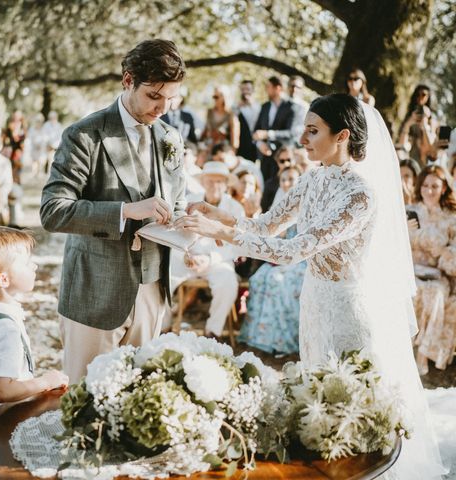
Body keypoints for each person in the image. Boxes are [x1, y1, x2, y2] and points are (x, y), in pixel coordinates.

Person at [174, 93, 445, 479]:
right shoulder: (312, 178)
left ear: (342, 136)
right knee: (317, 407)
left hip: (348, 312)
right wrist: (219, 215)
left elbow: (293, 249)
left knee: (350, 415)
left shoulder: (360, 195)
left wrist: (219, 232)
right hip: (313, 304)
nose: (302, 140)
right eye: (304, 129)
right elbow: (267, 226)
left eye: (312, 131)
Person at [40, 39, 187, 383]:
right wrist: (125, 211)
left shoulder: (171, 137)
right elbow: (52, 210)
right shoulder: (84, 135)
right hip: (95, 290)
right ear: (127, 80)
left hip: (152, 288)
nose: (163, 108)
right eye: (154, 96)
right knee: (85, 398)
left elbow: (175, 201)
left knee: (137, 397)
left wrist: (187, 231)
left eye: (172, 99)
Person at [0, 227, 68, 421]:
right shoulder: (5, 329)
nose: (34, 266)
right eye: (26, 263)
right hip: (4, 413)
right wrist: (46, 381)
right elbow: (1, 391)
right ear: (3, 279)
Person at [169, 161, 243, 339]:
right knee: (164, 275)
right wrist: (188, 255)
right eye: (210, 181)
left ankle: (212, 332)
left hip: (218, 261)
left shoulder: (235, 208)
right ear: (203, 182)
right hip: (188, 258)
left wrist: (210, 259)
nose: (215, 185)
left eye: (219, 181)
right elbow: (177, 231)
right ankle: (163, 327)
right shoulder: (189, 202)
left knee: (228, 282)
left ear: (226, 184)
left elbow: (237, 244)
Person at [238, 165, 305, 355]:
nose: (286, 183)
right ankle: (258, 337)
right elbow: (272, 236)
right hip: (281, 257)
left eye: (291, 179)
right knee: (259, 278)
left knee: (278, 281)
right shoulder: (281, 206)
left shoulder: (308, 205)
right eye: (283, 180)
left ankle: (282, 340)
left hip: (302, 260)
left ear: (299, 181)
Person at [406, 165, 456, 375]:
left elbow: (451, 257)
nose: (429, 190)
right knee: (409, 292)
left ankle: (422, 356)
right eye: (425, 185)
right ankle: (404, 351)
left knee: (433, 294)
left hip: (438, 276)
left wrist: (437, 249)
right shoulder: (410, 211)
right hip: (411, 272)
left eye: (435, 186)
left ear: (444, 188)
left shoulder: (451, 217)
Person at [253, 76, 296, 183]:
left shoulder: (291, 107)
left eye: (268, 87)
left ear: (278, 88)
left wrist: (268, 134)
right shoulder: (265, 107)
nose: (266, 90)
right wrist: (259, 144)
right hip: (264, 158)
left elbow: (291, 133)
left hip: (282, 158)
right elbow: (256, 131)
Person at [200, 85, 240, 150]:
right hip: (208, 147)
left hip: (222, 149)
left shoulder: (231, 116)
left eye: (216, 97)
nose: (214, 99)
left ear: (224, 97)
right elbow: (205, 131)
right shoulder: (209, 112)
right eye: (213, 97)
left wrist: (232, 152)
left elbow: (235, 140)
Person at [260, 145, 295, 212]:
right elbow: (264, 209)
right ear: (277, 162)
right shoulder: (270, 184)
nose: (286, 163)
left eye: (289, 160)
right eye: (282, 161)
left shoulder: (302, 179)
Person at [235, 80, 261, 161]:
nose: (245, 92)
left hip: (255, 146)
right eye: (243, 89)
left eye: (248, 89)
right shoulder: (236, 107)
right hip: (240, 145)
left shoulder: (259, 107)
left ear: (252, 91)